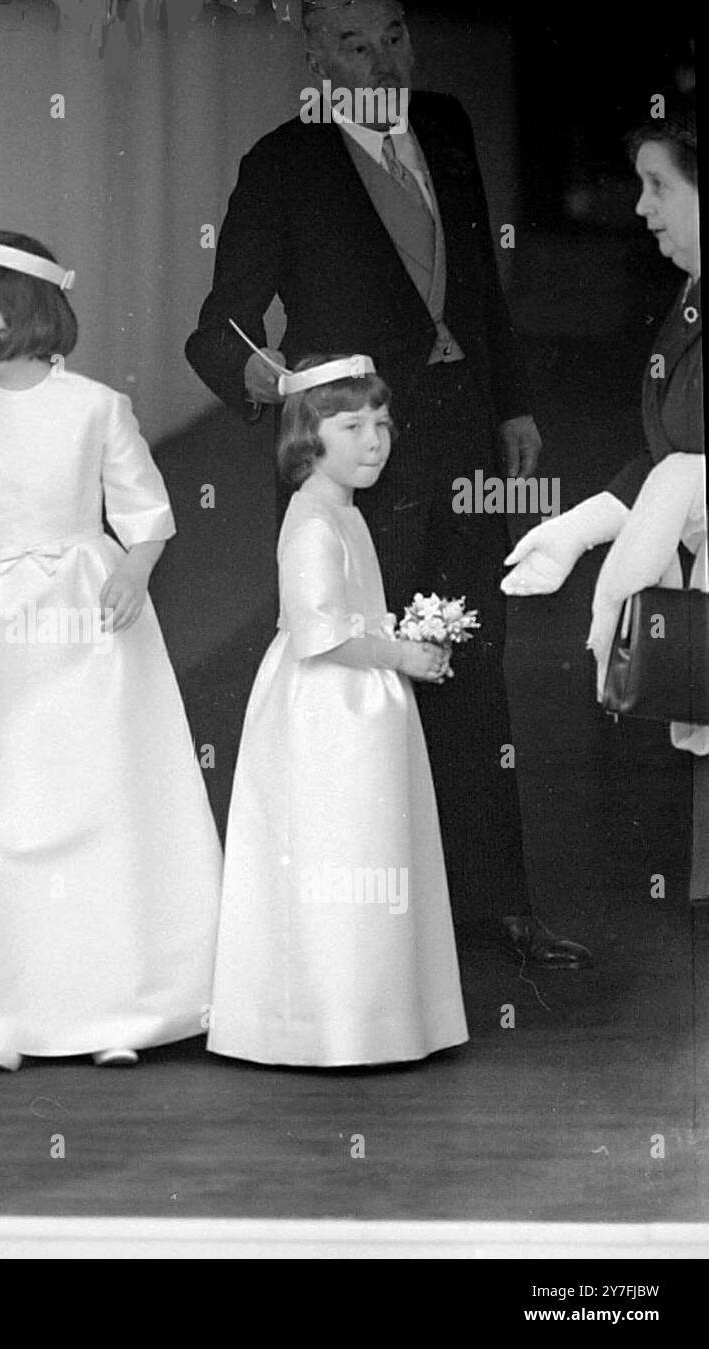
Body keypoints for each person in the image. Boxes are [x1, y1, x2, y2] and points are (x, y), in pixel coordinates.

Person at [184, 0, 591, 969]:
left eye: (394, 36)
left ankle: (494, 905)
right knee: (369, 677)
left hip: (462, 443)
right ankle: (373, 918)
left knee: (473, 658)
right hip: (358, 467)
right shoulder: (282, 163)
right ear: (314, 51)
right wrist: (291, 401)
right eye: (355, 43)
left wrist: (512, 403)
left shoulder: (443, 125)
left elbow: (478, 284)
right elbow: (216, 331)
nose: (381, 61)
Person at [0, 232, 222, 1072]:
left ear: (20, 315)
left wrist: (136, 569)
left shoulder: (96, 406)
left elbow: (145, 510)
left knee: (94, 797)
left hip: (83, 613)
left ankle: (114, 1007)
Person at [207, 355, 468, 1066]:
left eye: (381, 424)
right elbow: (322, 632)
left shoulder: (343, 513)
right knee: (337, 847)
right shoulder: (314, 520)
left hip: (362, 705)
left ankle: (374, 1015)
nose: (375, 440)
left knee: (369, 847)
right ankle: (332, 1021)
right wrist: (403, 656)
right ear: (308, 436)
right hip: (327, 712)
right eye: (352, 425)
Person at [504, 98, 705, 900]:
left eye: (657, 185)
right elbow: (672, 453)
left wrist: (677, 489)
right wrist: (583, 527)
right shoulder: (690, 298)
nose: (640, 207)